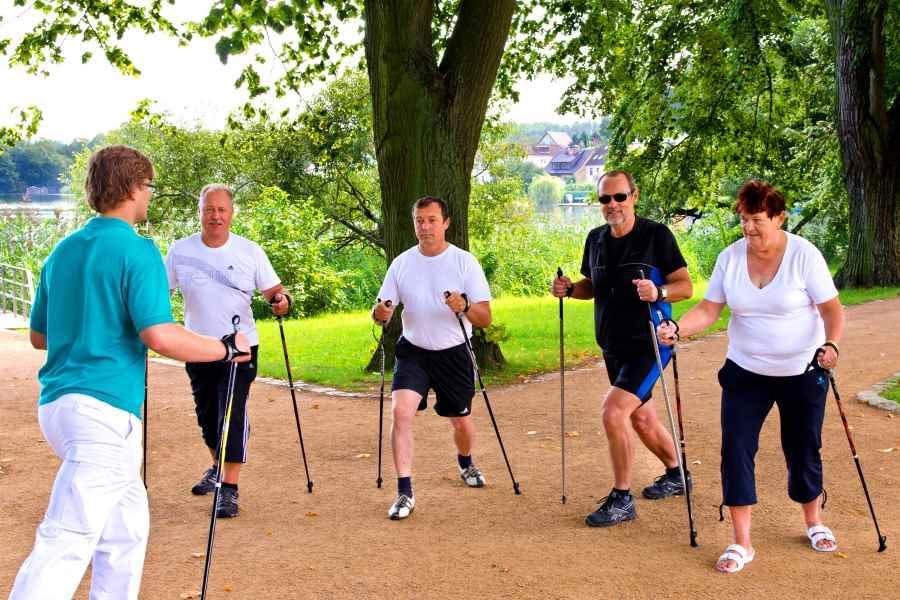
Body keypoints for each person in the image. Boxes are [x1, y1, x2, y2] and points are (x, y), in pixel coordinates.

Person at [10, 146, 250, 599]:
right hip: (102, 413)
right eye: (149, 187)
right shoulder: (137, 251)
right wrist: (222, 349)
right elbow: (159, 335)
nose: (150, 197)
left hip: (60, 407)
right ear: (133, 188)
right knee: (68, 536)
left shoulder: (62, 252)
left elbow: (40, 337)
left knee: (126, 530)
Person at [656, 179, 843, 572]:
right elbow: (709, 309)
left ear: (779, 217)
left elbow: (831, 310)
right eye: (744, 219)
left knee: (803, 447)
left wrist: (832, 345)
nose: (749, 228)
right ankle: (741, 542)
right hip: (746, 371)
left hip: (801, 370)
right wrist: (677, 329)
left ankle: (813, 521)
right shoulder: (730, 257)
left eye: (757, 219)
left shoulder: (804, 256)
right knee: (736, 450)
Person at [551, 170, 693, 528]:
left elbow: (685, 286)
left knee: (613, 412)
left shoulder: (656, 235)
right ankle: (677, 475)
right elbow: (592, 287)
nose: (612, 205)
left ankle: (622, 498)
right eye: (605, 199)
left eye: (619, 197)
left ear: (634, 195)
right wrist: (569, 289)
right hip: (612, 344)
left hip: (650, 343)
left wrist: (659, 293)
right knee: (642, 418)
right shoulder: (595, 239)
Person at [165, 184, 290, 519]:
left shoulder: (249, 251)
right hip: (197, 346)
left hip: (240, 347)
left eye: (221, 209)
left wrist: (281, 302)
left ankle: (229, 489)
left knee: (230, 414)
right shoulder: (180, 251)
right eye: (209, 209)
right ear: (200, 212)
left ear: (231, 213)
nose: (215, 216)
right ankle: (217, 467)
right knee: (207, 416)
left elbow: (274, 291)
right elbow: (160, 292)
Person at [372, 196, 493, 520]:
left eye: (431, 220)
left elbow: (484, 318)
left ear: (446, 223)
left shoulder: (464, 262)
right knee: (401, 413)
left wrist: (465, 306)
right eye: (419, 221)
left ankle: (465, 462)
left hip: (454, 352)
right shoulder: (402, 263)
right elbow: (380, 313)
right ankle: (404, 491)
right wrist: (381, 312)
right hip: (414, 352)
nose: (424, 227)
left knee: (461, 421)